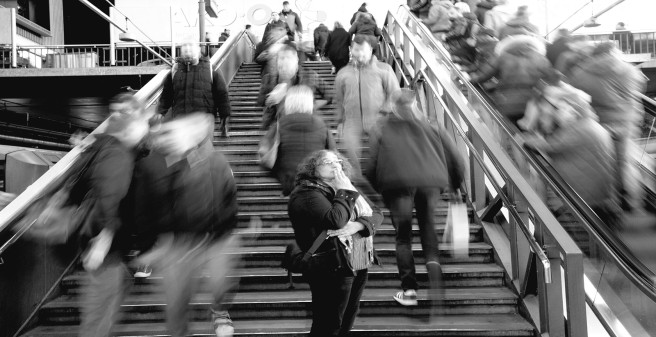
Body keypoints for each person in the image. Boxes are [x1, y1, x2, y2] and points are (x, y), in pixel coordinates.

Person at [131, 112, 239, 337]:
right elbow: (148, 207)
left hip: (214, 237)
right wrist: (151, 245)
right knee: (177, 302)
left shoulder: (216, 161)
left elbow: (229, 197)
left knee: (221, 283)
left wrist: (225, 229)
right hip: (179, 243)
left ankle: (219, 311)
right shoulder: (161, 163)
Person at [366, 88, 464, 307]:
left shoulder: (380, 128)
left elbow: (369, 166)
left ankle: (409, 290)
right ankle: (434, 271)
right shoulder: (432, 125)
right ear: (416, 104)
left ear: (392, 105)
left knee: (403, 237)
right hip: (430, 183)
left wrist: (379, 190)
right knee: (428, 228)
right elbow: (455, 159)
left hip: (397, 185)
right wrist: (456, 185)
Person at [78, 92, 152, 337]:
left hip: (118, 236)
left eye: (123, 112)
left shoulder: (126, 147)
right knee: (99, 310)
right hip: (106, 237)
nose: (116, 117)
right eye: (114, 113)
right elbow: (107, 195)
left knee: (112, 292)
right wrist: (104, 237)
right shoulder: (116, 150)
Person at [288, 149, 383, 337]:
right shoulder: (307, 194)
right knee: (328, 323)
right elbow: (335, 220)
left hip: (357, 260)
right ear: (313, 169)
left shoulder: (345, 186)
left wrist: (357, 225)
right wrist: (345, 191)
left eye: (337, 161)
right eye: (327, 162)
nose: (335, 164)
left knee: (347, 318)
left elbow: (377, 213)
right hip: (330, 266)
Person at [522, 78, 621, 229]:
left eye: (561, 110)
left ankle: (545, 224)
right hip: (602, 196)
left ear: (573, 111)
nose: (557, 114)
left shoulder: (578, 129)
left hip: (586, 199)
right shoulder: (591, 125)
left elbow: (549, 146)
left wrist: (524, 138)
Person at [568, 42, 647, 210]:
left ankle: (610, 204)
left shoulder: (580, 72)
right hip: (625, 123)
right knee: (624, 163)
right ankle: (632, 202)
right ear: (613, 52)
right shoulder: (628, 70)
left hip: (598, 124)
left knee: (603, 165)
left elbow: (574, 95)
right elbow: (641, 85)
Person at [334, 34, 400, 177]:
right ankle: (358, 180)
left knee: (380, 153)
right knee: (349, 149)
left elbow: (395, 94)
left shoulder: (384, 69)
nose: (360, 53)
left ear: (370, 49)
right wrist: (339, 122)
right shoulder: (343, 73)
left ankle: (374, 177)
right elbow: (339, 100)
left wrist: (384, 112)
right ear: (351, 50)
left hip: (378, 119)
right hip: (352, 121)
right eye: (356, 50)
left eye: (363, 49)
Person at [469, 34, 551, 126]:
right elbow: (546, 85)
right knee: (517, 133)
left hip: (505, 102)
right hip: (528, 107)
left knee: (501, 128)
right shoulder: (543, 61)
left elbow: (484, 76)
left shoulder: (504, 56)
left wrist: (472, 79)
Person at [157, 41, 232, 137]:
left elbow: (222, 95)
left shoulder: (210, 70)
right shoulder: (175, 71)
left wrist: (224, 116)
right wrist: (160, 112)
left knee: (202, 150)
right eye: (185, 49)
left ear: (198, 51)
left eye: (191, 49)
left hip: (203, 123)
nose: (188, 52)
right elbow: (166, 95)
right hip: (181, 122)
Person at [272, 85, 337, 195]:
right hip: (316, 182)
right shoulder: (321, 124)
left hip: (291, 182)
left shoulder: (279, 126)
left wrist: (281, 176)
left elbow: (267, 157)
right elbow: (333, 153)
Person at [257, 43, 332, 130]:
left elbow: (329, 95)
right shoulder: (269, 78)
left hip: (304, 126)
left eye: (288, 57)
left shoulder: (310, 76)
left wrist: (309, 106)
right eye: (281, 58)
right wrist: (268, 99)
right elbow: (260, 100)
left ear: (296, 60)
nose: (285, 61)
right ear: (277, 61)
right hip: (277, 128)